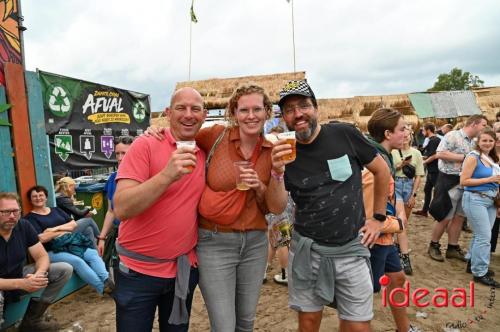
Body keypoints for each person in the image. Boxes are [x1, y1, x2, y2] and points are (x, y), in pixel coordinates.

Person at [273, 80, 391, 332]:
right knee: (308, 322)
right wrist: (276, 172)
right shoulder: (283, 152)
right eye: (290, 110)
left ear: (316, 108)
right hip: (307, 250)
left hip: (351, 248)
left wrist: (378, 218)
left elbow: (382, 171)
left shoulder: (344, 134)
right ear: (284, 117)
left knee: (357, 325)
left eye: (304, 106)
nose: (298, 114)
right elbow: (276, 206)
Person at [112, 87, 207, 332]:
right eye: (181, 108)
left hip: (182, 272)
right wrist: (166, 175)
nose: (188, 114)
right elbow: (121, 208)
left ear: (204, 115)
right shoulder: (146, 144)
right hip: (137, 272)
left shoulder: (207, 150)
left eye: (195, 109)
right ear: (167, 113)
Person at [364, 108, 419, 332]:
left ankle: (403, 329)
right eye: (402, 128)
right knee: (363, 294)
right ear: (388, 134)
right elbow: (367, 216)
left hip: (386, 240)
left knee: (397, 279)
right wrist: (398, 223)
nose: (407, 132)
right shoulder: (373, 166)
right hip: (375, 240)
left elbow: (387, 195)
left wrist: (398, 206)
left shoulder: (385, 157)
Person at [0, 192, 73, 331]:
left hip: (19, 275)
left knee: (63, 269)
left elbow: (42, 256)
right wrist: (21, 283)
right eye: (5, 212)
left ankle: (32, 320)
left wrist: (38, 275)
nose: (11, 216)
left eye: (15, 211)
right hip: (6, 284)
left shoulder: (23, 226)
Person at [24, 186, 110, 294]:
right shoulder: (29, 219)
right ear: (30, 200)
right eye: (34, 196)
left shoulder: (56, 210)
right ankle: (103, 288)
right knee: (77, 261)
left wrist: (55, 229)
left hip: (70, 244)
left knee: (92, 254)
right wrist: (65, 231)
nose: (38, 198)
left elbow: (73, 224)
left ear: (46, 197)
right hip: (51, 251)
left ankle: (107, 281)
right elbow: (41, 238)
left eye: (41, 195)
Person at [428, 115, 488, 262]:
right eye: (483, 125)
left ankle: (452, 248)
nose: (485, 128)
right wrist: (466, 157)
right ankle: (433, 245)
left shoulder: (474, 142)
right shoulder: (452, 135)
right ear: (474, 124)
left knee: (459, 217)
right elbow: (440, 154)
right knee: (444, 216)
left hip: (466, 183)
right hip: (449, 181)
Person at [461, 128, 500, 287]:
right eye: (484, 140)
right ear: (478, 141)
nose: (488, 143)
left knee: (481, 235)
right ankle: (480, 272)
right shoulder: (472, 157)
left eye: (491, 140)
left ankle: (473, 263)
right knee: (484, 237)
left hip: (490, 200)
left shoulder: (491, 158)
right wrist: (489, 179)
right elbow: (464, 181)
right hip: (475, 199)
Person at [97, 136, 134, 277]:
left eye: (124, 153)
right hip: (120, 234)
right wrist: (102, 238)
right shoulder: (113, 178)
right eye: (117, 153)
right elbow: (110, 211)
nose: (119, 158)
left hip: (138, 235)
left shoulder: (145, 176)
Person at [391, 128, 425, 275]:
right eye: (402, 136)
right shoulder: (392, 151)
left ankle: (397, 248)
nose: (405, 139)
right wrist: (402, 164)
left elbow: (418, 175)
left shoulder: (417, 153)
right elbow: (389, 170)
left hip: (409, 186)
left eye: (407, 136)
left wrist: (414, 195)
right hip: (396, 184)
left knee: (404, 222)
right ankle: (403, 256)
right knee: (400, 220)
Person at [264, 126, 292, 285]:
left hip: (275, 202)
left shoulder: (270, 156)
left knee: (274, 239)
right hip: (281, 203)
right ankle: (286, 274)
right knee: (281, 240)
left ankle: (262, 271)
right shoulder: (286, 156)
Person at [54, 177, 100, 246]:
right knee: (89, 220)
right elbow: (80, 214)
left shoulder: (61, 197)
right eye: (73, 187)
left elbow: (74, 216)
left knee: (89, 229)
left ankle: (96, 253)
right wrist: (87, 208)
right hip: (65, 230)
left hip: (67, 226)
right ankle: (101, 238)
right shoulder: (63, 199)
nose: (75, 189)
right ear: (69, 187)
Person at [414, 123, 441, 218]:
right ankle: (425, 210)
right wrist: (423, 158)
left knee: (437, 192)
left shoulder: (434, 140)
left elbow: (434, 155)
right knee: (427, 189)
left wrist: (424, 162)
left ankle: (437, 212)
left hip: (435, 170)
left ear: (428, 130)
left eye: (423, 130)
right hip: (431, 169)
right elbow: (430, 154)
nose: (422, 132)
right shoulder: (431, 140)